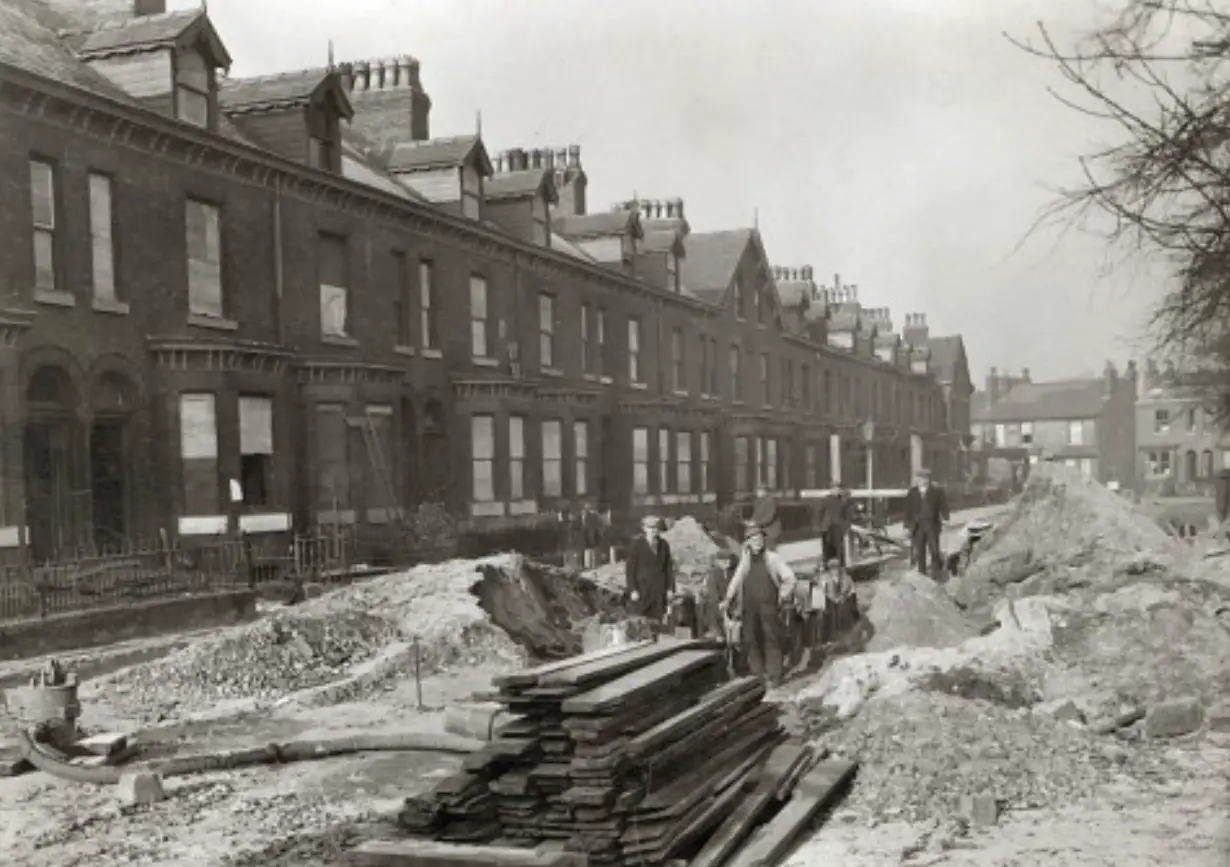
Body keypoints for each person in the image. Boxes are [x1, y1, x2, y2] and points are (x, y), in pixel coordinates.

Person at [719, 525, 797, 688]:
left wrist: (782, 596)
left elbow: (790, 578)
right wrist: (727, 599)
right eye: (753, 539)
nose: (757, 542)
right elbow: (736, 580)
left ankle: (774, 675)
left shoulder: (772, 558)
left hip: (768, 606)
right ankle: (759, 675)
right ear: (747, 542)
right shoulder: (745, 561)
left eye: (760, 539)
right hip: (749, 607)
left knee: (771, 639)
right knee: (751, 639)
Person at [625, 514, 675, 622]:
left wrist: (670, 588)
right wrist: (633, 589)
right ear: (644, 528)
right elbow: (630, 570)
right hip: (643, 590)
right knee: (642, 621)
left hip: (659, 590)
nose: (652, 531)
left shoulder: (664, 545)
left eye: (655, 528)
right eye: (650, 528)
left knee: (658, 620)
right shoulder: (637, 545)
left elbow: (669, 568)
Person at [905, 468, 949, 579]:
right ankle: (921, 573)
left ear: (928, 479)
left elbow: (943, 505)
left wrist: (945, 518)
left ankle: (936, 573)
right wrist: (907, 525)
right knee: (920, 551)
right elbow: (908, 510)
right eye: (919, 478)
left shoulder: (936, 491)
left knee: (934, 549)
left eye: (924, 478)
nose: (921, 480)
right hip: (918, 525)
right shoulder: (912, 492)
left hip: (932, 524)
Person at [819, 484, 857, 568]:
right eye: (835, 489)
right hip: (832, 526)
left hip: (832, 526)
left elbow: (821, 513)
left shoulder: (837, 500)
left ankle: (831, 563)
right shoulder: (836, 500)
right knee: (835, 546)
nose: (837, 491)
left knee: (832, 546)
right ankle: (836, 563)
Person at [750, 485, 782, 551]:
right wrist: (751, 522)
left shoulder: (770, 502)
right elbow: (755, 515)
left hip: (770, 531)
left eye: (759, 491)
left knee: (770, 551)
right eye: (757, 491)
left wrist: (756, 523)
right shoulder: (758, 502)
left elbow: (769, 518)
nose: (757, 493)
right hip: (761, 530)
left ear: (764, 492)